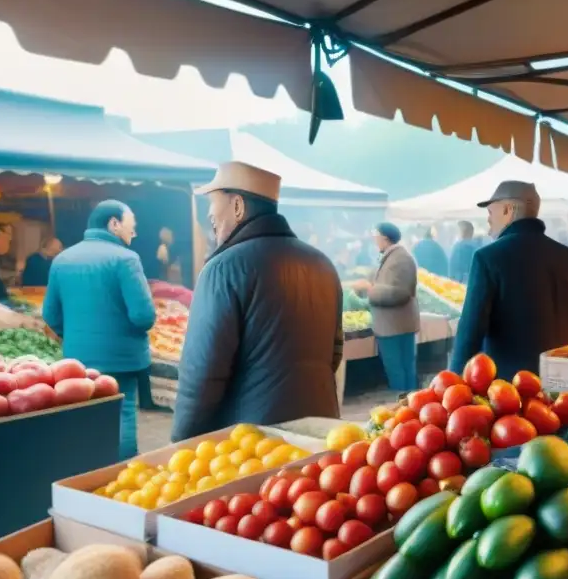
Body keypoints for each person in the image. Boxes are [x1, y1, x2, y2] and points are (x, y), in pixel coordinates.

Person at [171, 162, 344, 440]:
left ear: (237, 205)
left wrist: (181, 443)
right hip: (320, 433)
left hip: (253, 443)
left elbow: (202, 375)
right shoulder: (322, 264)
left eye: (214, 204)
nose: (210, 216)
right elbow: (334, 354)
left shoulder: (223, 268)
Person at [42, 201, 156, 459]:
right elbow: (143, 315)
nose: (132, 234)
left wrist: (72, 335)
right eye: (131, 227)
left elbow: (49, 313)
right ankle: (121, 478)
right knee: (122, 413)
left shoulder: (62, 259)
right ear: (114, 224)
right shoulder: (126, 259)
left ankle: (85, 477)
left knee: (85, 417)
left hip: (77, 358)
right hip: (122, 358)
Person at [449, 181, 568, 379]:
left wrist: (452, 381)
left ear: (508, 210)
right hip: (561, 386)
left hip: (509, 392)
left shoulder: (488, 258)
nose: (488, 221)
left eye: (491, 213)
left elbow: (470, 332)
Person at [352, 223, 419, 392]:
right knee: (403, 369)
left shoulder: (400, 258)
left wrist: (369, 288)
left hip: (394, 326)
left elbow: (398, 293)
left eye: (376, 235)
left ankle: (404, 406)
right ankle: (407, 405)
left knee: (398, 370)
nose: (374, 239)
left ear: (385, 238)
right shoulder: (392, 256)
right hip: (395, 324)